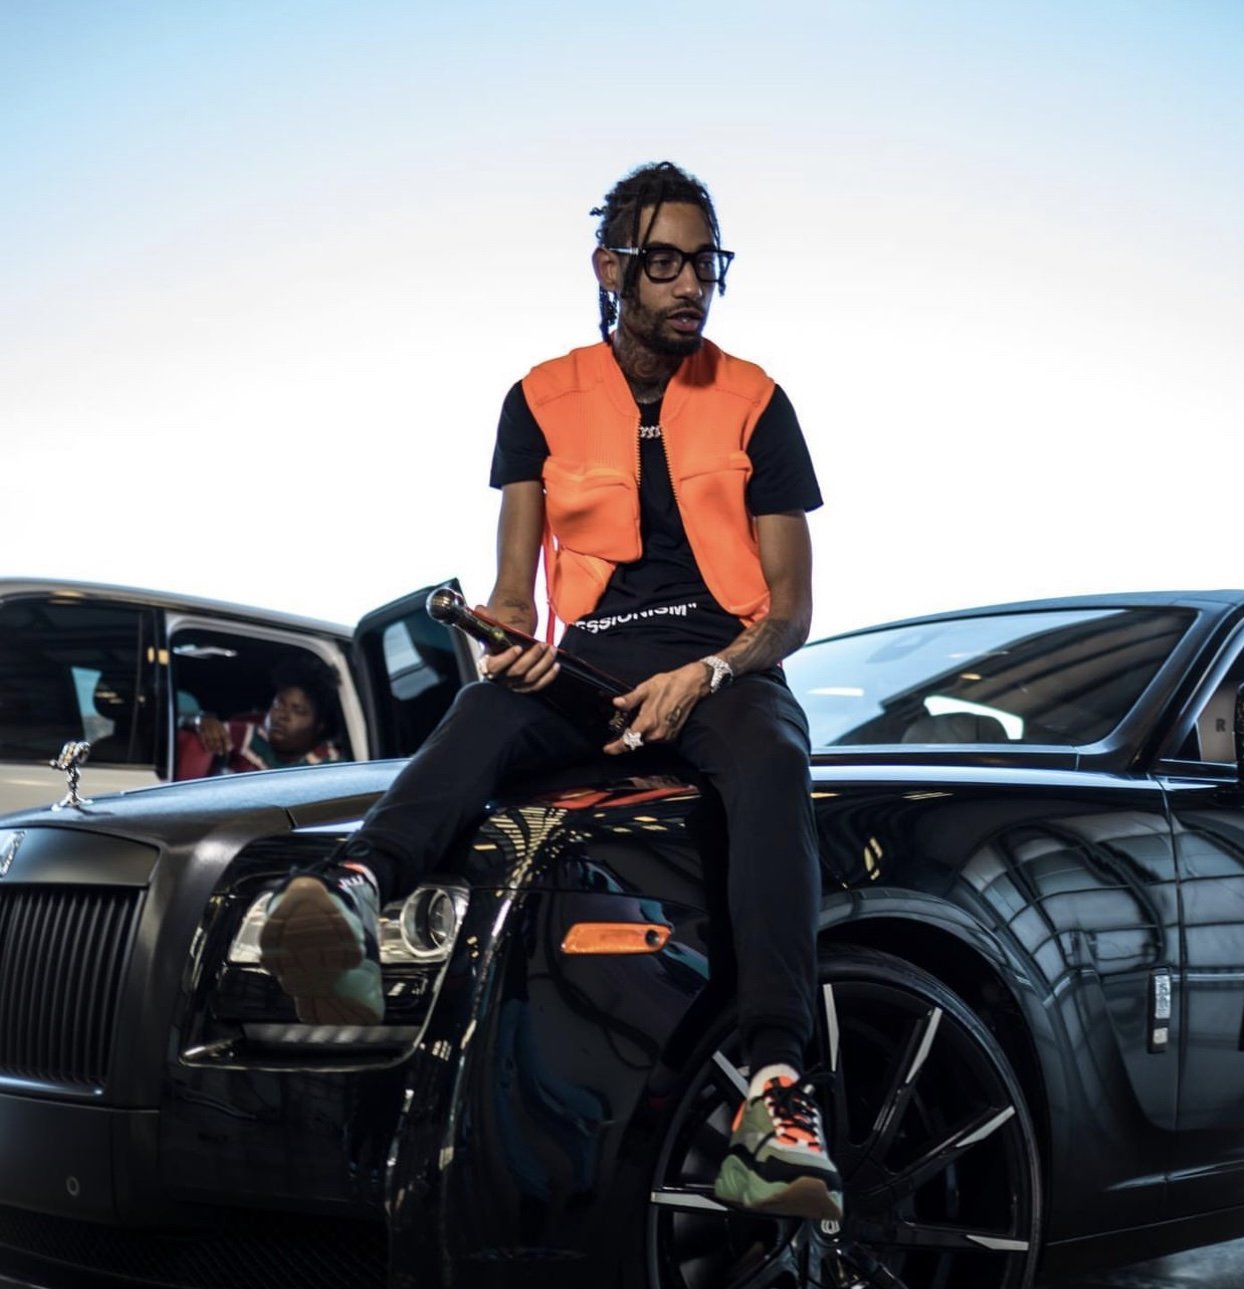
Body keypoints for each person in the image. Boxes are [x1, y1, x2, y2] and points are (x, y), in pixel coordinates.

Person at [255, 161, 841, 1222]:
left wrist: (705, 672)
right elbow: (514, 596)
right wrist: (505, 644)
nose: (689, 286)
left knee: (773, 761)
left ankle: (776, 1091)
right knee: (487, 708)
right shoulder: (538, 396)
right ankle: (348, 892)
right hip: (591, 664)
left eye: (706, 262)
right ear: (609, 267)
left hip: (724, 661)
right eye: (664, 262)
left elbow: (790, 611)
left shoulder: (756, 397)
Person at [178, 655, 345, 777]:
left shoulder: (329, 767)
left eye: (298, 711)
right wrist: (200, 720)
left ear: (319, 725)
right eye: (278, 704)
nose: (282, 715)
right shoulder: (246, 736)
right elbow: (180, 726)